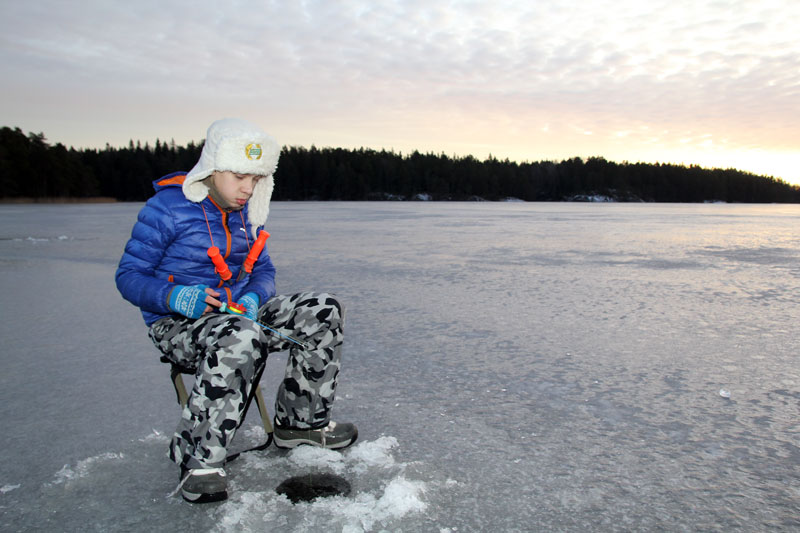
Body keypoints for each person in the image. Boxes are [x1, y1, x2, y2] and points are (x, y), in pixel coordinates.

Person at [115, 118, 357, 504]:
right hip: (178, 325)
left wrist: (253, 299)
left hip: (239, 314)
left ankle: (300, 424)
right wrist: (175, 297)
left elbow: (263, 269)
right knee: (239, 334)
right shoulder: (167, 209)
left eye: (257, 179)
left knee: (322, 309)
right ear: (213, 167)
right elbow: (128, 277)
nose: (248, 188)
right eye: (240, 176)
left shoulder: (245, 212)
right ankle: (200, 461)